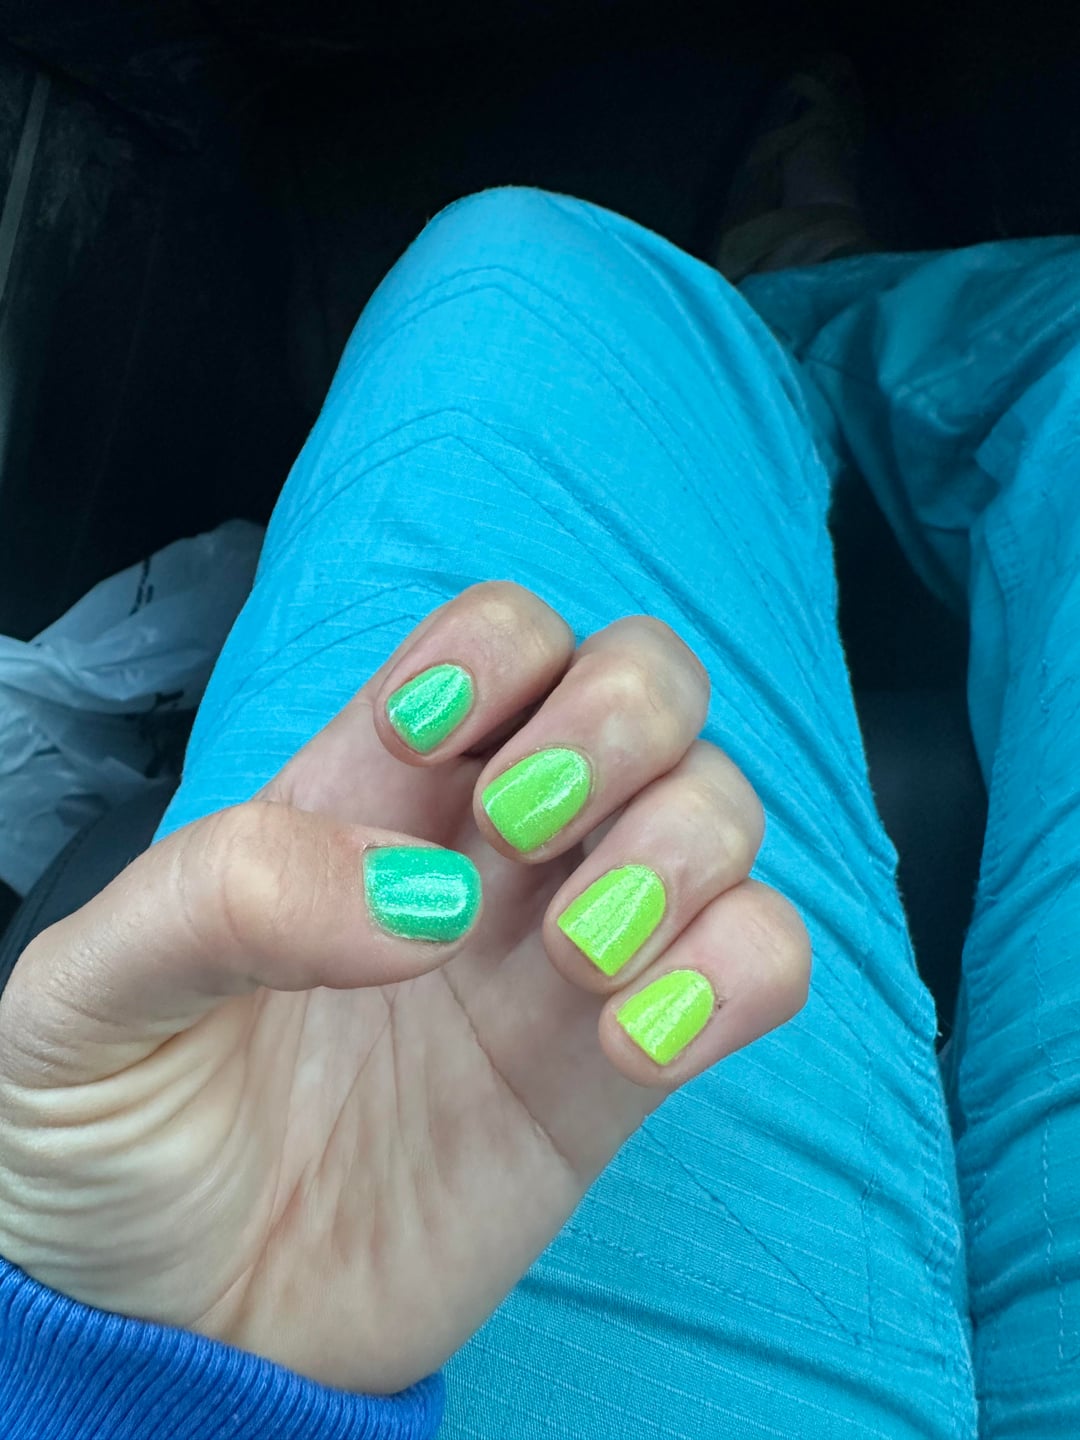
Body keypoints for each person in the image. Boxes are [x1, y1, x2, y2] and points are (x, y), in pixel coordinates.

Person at [2, 58, 1079, 1440]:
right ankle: (799, 310)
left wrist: (155, 1381)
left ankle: (778, 330)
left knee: (534, 279)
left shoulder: (236, 1235)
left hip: (278, 1278)